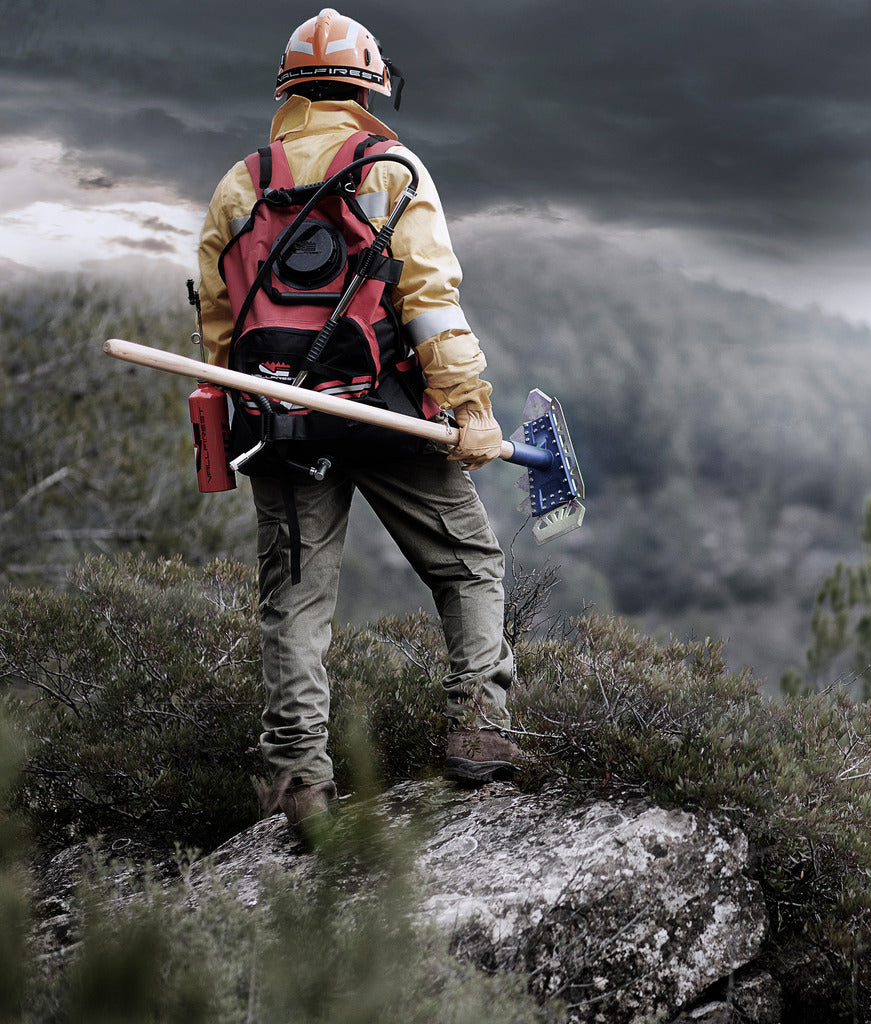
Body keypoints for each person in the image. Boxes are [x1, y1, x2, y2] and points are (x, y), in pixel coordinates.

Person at [196, 9, 521, 824]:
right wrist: (471, 407)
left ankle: (297, 783)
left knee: (295, 605)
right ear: (370, 85)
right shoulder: (392, 171)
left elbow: (215, 326)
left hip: (281, 422)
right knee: (469, 565)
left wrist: (250, 414)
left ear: (289, 87)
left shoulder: (240, 183)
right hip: (388, 415)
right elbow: (429, 302)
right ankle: (480, 729)